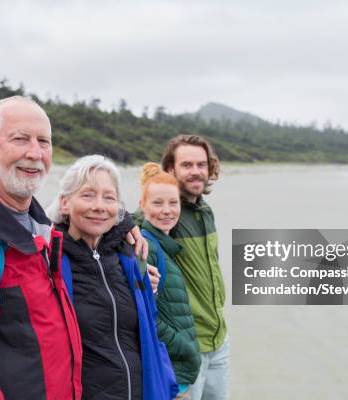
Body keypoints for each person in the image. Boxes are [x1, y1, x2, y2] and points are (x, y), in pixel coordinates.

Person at [0, 96, 146, 399]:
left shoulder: (41, 231)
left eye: (44, 142)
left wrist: (124, 223)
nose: (35, 153)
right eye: (20, 139)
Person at [46, 155, 177, 400]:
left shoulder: (130, 258)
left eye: (109, 197)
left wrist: (170, 388)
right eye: (87, 195)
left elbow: (150, 332)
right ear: (65, 203)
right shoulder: (49, 260)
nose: (99, 206)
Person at [159, 134, 229, 400]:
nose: (196, 172)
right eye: (187, 165)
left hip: (218, 338)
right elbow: (134, 221)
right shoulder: (167, 212)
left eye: (201, 165)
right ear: (170, 169)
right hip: (187, 346)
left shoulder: (205, 210)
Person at [138, 162, 201, 399]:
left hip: (176, 373)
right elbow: (144, 316)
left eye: (173, 203)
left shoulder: (163, 247)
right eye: (157, 203)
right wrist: (187, 349)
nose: (166, 210)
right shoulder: (148, 248)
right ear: (142, 205)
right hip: (169, 374)